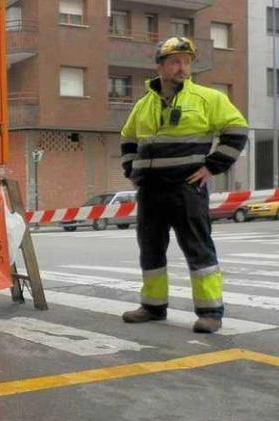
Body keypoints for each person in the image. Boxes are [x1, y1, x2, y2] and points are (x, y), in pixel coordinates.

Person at [119, 37, 248, 334]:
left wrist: (212, 166)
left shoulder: (207, 98)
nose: (183, 67)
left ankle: (211, 312)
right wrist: (131, 169)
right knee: (150, 248)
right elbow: (128, 137)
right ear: (161, 66)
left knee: (198, 248)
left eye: (187, 61)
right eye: (176, 61)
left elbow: (237, 129)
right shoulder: (143, 104)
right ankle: (152, 306)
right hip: (151, 189)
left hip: (186, 188)